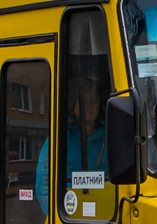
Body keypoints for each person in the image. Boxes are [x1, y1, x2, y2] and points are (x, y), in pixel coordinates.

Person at [35, 84, 106, 215]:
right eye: (84, 101)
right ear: (73, 106)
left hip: (107, 216)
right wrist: (56, 217)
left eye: (94, 101)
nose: (90, 106)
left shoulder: (110, 136)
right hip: (70, 219)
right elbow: (43, 184)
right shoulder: (60, 137)